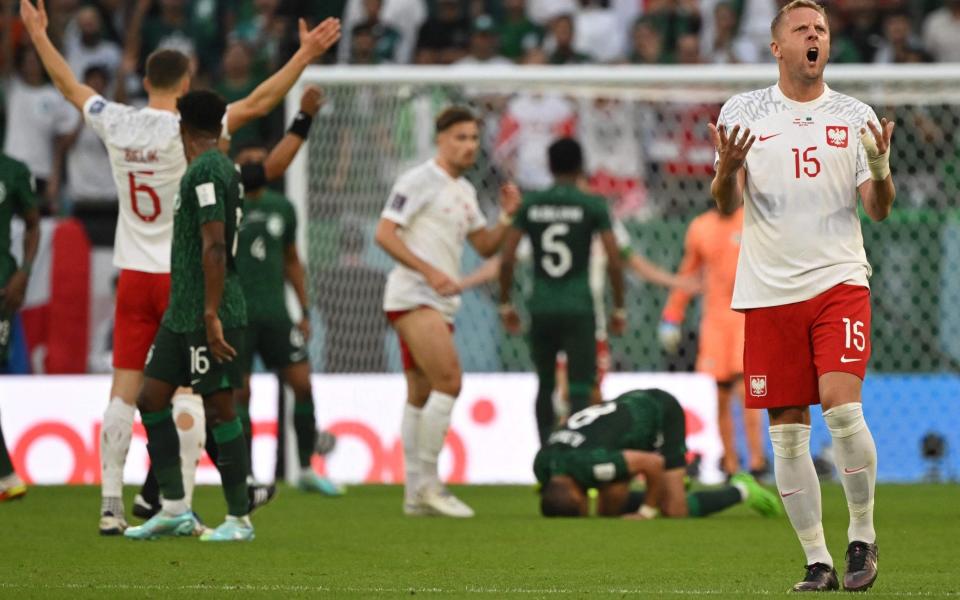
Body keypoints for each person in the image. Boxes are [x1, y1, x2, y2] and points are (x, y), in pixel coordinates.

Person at [20, 0, 341, 535]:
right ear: (189, 82)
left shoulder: (116, 120)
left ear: (144, 79)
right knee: (191, 393)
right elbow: (262, 101)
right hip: (182, 278)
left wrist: (38, 35)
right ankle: (181, 504)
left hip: (132, 275)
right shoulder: (197, 129)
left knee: (125, 391)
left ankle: (110, 505)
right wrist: (304, 54)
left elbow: (68, 85)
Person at [710, 0, 894, 591]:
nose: (815, 37)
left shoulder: (855, 114)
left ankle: (861, 537)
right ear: (777, 47)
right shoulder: (744, 112)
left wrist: (882, 168)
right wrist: (724, 169)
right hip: (768, 291)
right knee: (787, 432)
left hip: (839, 281)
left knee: (842, 410)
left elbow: (879, 210)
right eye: (802, 29)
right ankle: (817, 560)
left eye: (821, 29)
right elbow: (726, 205)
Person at [375, 106, 520, 518]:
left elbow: (486, 246)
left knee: (421, 393)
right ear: (440, 139)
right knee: (450, 381)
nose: (469, 146)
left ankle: (412, 492)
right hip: (413, 295)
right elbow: (384, 234)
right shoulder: (419, 180)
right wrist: (429, 271)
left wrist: (508, 216)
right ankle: (430, 485)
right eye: (460, 137)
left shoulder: (465, 191)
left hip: (438, 300)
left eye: (474, 138)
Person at [123, 90, 249, 542]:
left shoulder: (207, 170)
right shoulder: (214, 168)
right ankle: (175, 508)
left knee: (219, 408)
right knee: (151, 397)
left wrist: (211, 313)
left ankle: (239, 519)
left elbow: (215, 245)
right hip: (182, 313)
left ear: (182, 126)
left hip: (205, 312)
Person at [233, 88, 342, 496]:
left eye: (261, 161)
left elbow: (293, 260)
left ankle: (306, 468)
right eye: (248, 162)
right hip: (238, 315)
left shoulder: (283, 208)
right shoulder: (227, 203)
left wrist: (305, 308)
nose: (256, 167)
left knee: (303, 384)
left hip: (278, 315)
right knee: (240, 393)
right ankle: (244, 475)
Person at [498, 137, 625, 446]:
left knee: (544, 384)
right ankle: (575, 453)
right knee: (580, 386)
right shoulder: (593, 204)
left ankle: (545, 457)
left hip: (541, 305)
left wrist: (505, 303)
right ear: (581, 166)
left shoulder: (532, 204)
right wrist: (619, 307)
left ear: (550, 166)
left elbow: (508, 256)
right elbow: (613, 257)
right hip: (579, 306)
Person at [534, 389, 782, 520]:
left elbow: (651, 463)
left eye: (582, 507)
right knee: (608, 505)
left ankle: (742, 488)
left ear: (578, 497)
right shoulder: (542, 463)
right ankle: (669, 485)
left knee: (675, 510)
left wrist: (647, 511)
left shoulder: (592, 465)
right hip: (627, 412)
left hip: (660, 413)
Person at [659, 205, 768, 480]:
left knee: (748, 391)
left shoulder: (753, 219)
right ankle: (729, 462)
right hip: (715, 322)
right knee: (720, 394)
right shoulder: (700, 227)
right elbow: (689, 273)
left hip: (748, 316)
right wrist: (673, 314)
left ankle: (757, 460)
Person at [0, 152, 40, 503]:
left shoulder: (13, 170)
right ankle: (7, 475)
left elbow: (33, 223)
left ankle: (7, 476)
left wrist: (23, 273)